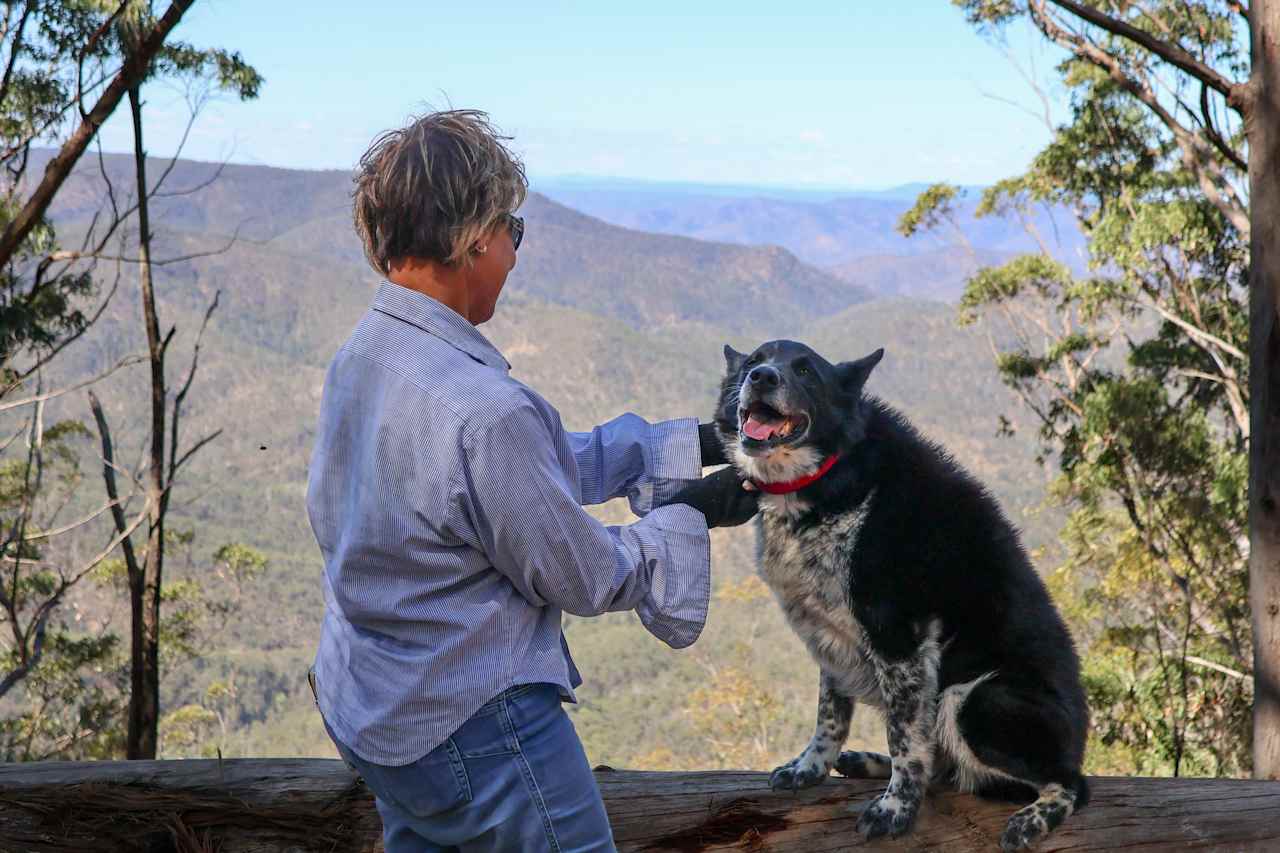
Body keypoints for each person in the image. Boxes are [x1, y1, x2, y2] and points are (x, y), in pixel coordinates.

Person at [305, 109, 759, 853]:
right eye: (513, 229)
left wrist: (692, 442)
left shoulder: (363, 357)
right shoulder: (483, 409)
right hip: (478, 727)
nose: (515, 251)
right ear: (475, 236)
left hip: (375, 711)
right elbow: (580, 573)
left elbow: (516, 477)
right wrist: (690, 514)